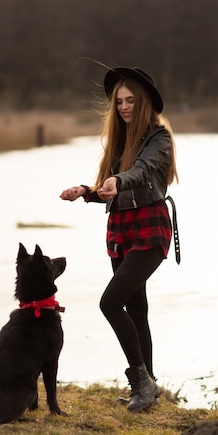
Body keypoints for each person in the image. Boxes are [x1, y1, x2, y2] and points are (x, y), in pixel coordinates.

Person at [60, 66, 179, 413]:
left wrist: (119, 180)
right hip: (121, 231)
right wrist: (86, 191)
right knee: (136, 308)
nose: (124, 107)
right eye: (119, 101)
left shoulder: (159, 137)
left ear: (142, 103)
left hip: (149, 229)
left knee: (110, 303)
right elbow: (110, 189)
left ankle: (141, 381)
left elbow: (139, 172)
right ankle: (150, 386)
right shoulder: (119, 140)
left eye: (130, 101)